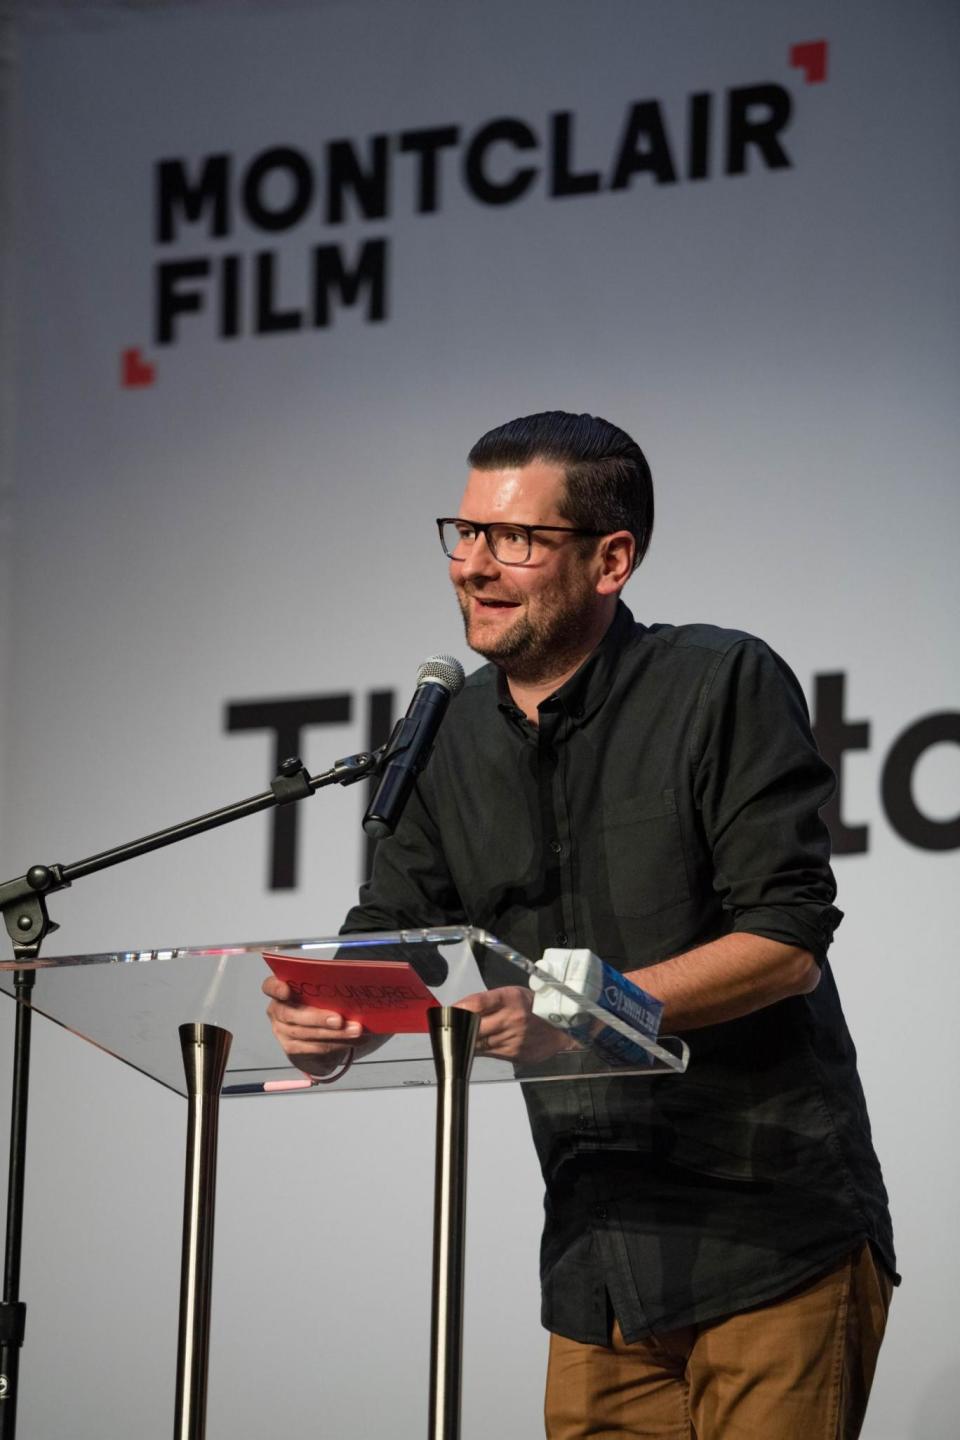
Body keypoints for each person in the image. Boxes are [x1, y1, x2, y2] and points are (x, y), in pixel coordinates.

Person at [265, 411, 896, 1439]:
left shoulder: (717, 683)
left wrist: (579, 1011)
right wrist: (330, 1018)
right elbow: (395, 938)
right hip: (597, 1273)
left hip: (770, 1240)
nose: (473, 566)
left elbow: (786, 944)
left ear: (612, 559)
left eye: (515, 539)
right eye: (463, 534)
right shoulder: (443, 736)